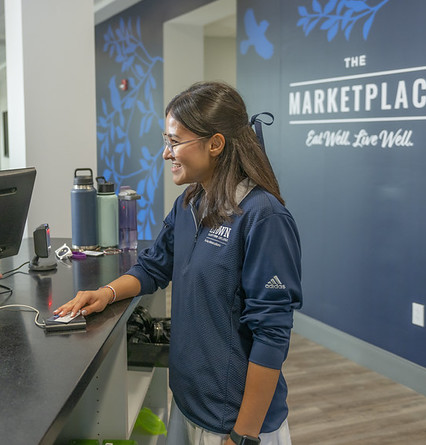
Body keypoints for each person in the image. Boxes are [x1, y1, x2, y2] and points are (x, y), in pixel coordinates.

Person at [54, 81, 303, 445]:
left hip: (233, 422)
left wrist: (243, 435)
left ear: (215, 144)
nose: (165, 154)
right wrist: (105, 293)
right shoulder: (190, 204)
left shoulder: (263, 217)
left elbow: (272, 333)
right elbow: (154, 266)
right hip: (187, 403)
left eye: (174, 142)